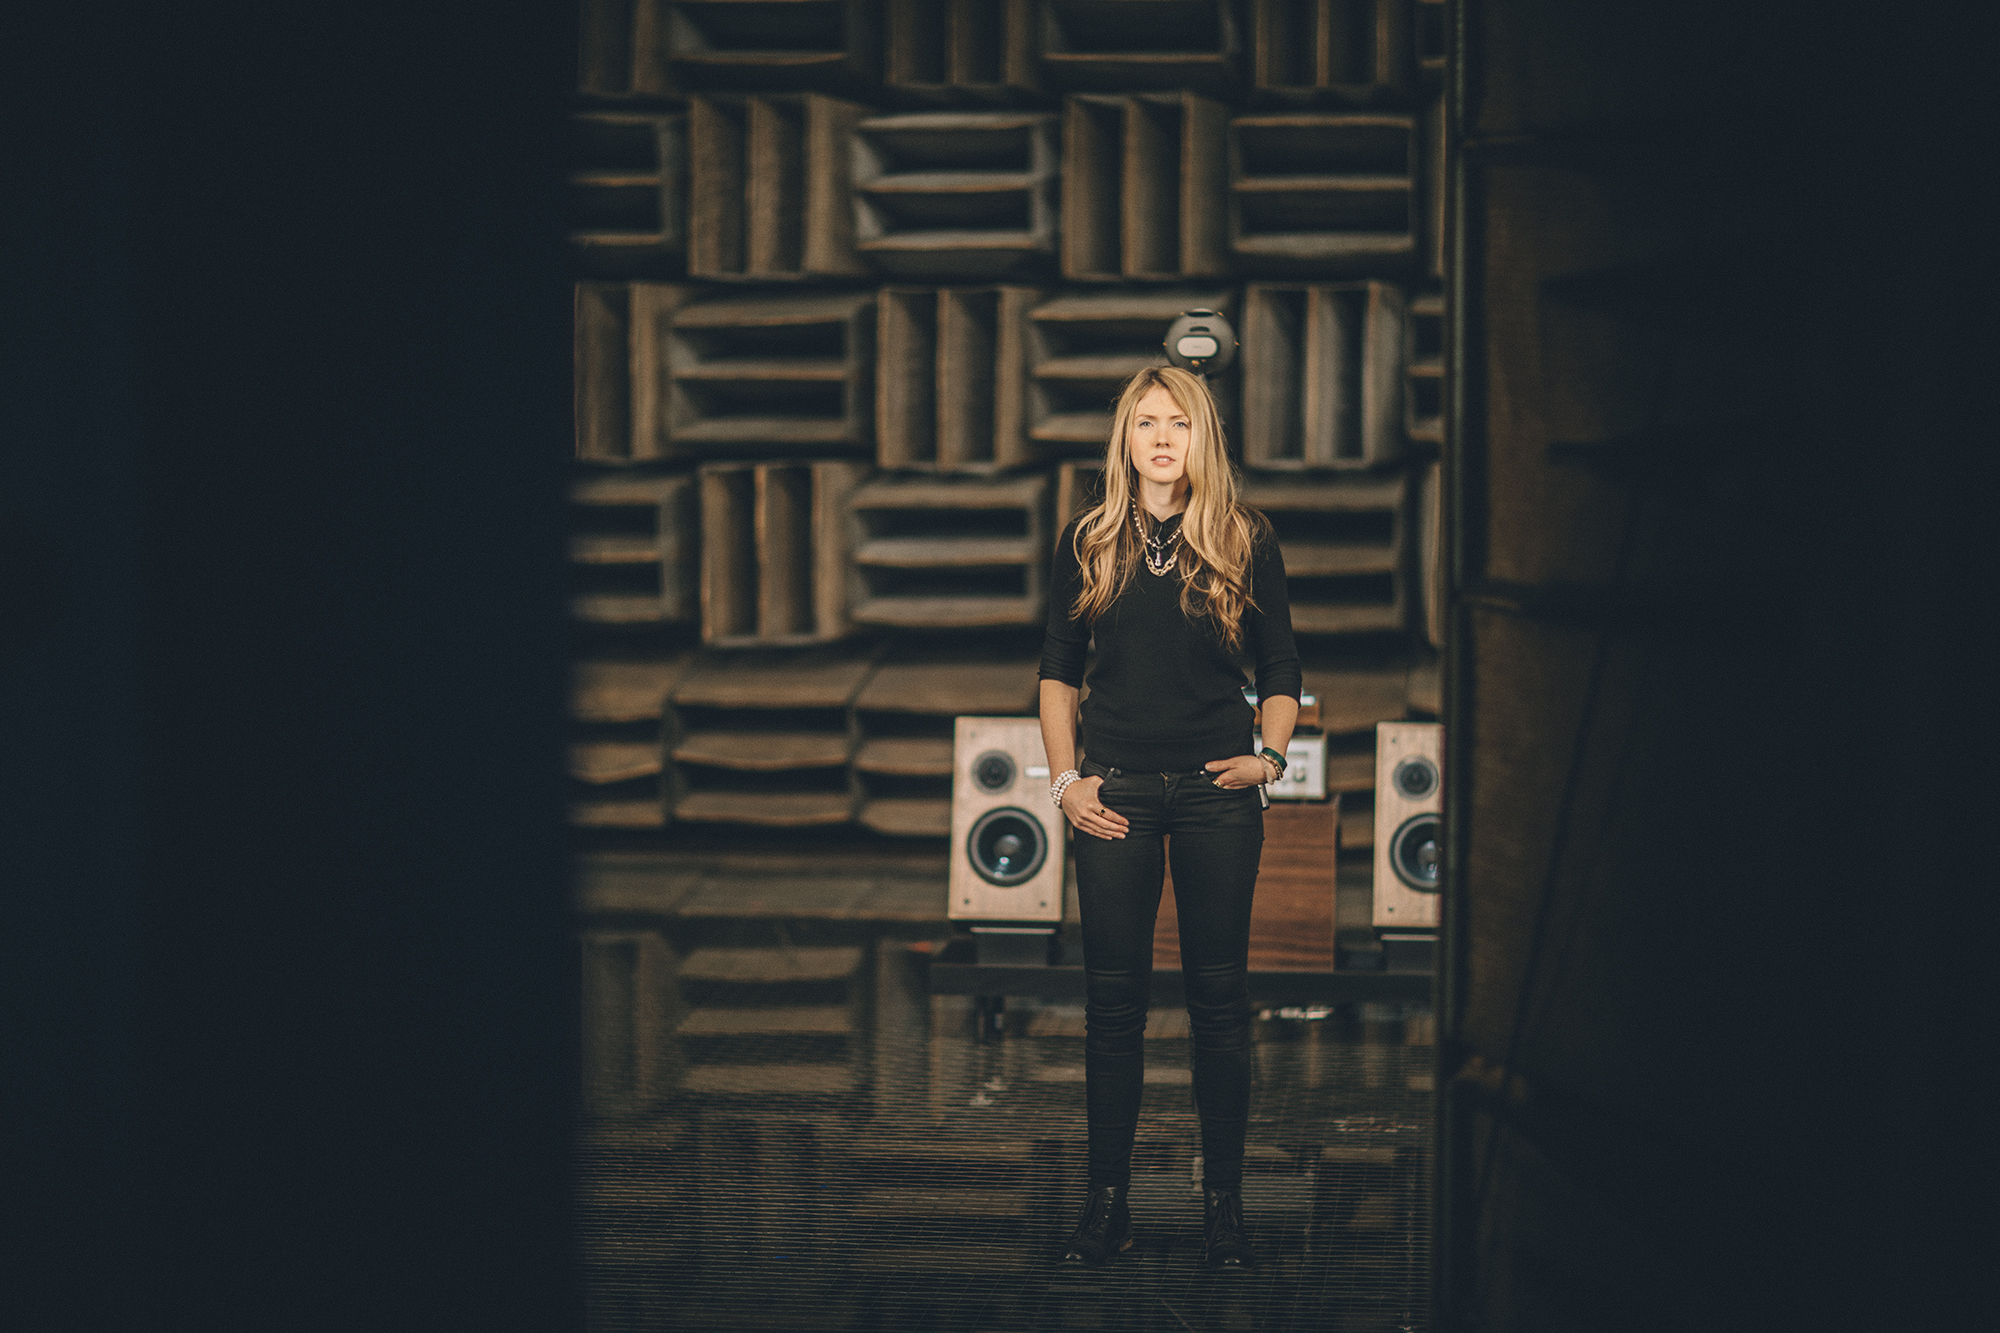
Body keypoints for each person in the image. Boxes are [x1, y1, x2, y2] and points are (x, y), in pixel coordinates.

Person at [1038, 365, 1301, 1273]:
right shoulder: (1089, 538)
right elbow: (1056, 673)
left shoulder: (1244, 536)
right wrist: (1064, 780)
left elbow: (1282, 669)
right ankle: (1106, 1208)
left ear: (1202, 438)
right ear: (1125, 436)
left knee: (1218, 1002)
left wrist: (1268, 759)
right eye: (1146, 422)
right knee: (1113, 1007)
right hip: (1112, 795)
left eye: (1178, 423)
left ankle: (1221, 1212)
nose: (1161, 438)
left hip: (1213, 796)